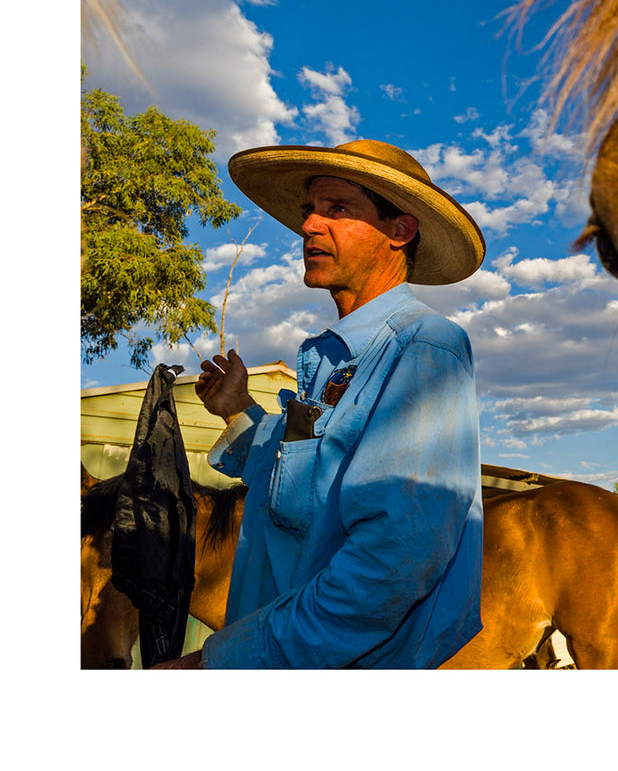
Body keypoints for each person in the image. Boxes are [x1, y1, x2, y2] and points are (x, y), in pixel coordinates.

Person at [155, 139, 487, 668]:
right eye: (310, 210)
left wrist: (224, 661)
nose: (308, 225)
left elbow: (395, 558)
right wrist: (237, 407)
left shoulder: (424, 347)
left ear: (399, 231)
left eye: (337, 209)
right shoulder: (334, 359)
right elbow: (303, 486)